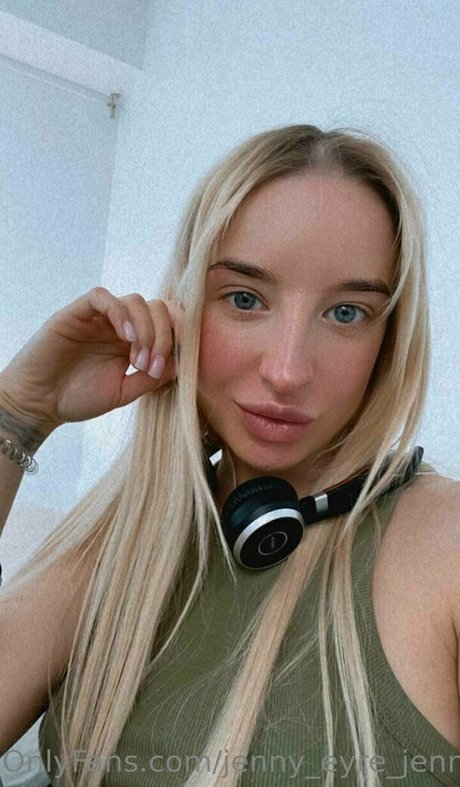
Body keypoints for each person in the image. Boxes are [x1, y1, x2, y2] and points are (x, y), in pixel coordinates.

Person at [0, 124, 458, 787]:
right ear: (187, 306)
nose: (287, 370)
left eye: (346, 313)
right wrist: (19, 410)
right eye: (245, 299)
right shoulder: (123, 545)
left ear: (388, 340)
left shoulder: (447, 542)